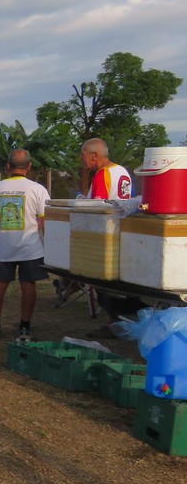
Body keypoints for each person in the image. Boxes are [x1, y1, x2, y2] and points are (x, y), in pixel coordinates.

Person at [80, 138, 142, 338]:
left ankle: (113, 324)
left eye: (83, 155)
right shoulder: (122, 171)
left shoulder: (103, 174)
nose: (82, 159)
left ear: (94, 155)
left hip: (106, 234)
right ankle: (121, 321)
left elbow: (98, 208)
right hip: (123, 230)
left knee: (104, 283)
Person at [0, 149, 51, 342]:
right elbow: (44, 222)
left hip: (3, 246)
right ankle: (24, 327)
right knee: (28, 285)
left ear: (8, 166)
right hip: (31, 248)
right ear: (29, 166)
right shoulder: (38, 189)